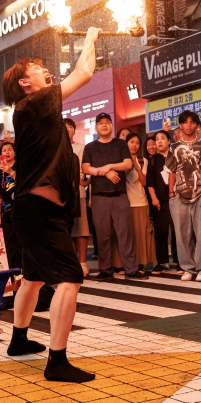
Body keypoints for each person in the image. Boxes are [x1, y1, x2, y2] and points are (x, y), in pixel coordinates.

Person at [0, 27, 101, 383]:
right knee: (70, 278)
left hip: (34, 210)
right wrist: (90, 39)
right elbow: (84, 73)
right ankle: (57, 361)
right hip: (38, 211)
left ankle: (19, 340)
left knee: (33, 278)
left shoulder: (34, 110)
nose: (45, 70)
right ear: (25, 83)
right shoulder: (34, 102)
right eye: (37, 68)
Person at [82, 113, 143, 280]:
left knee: (125, 233)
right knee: (102, 235)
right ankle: (105, 270)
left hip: (120, 195)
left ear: (111, 126)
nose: (104, 125)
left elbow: (128, 164)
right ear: (96, 127)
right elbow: (86, 168)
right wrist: (105, 173)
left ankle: (131, 269)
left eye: (107, 122)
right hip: (99, 196)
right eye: (100, 123)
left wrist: (109, 166)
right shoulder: (90, 147)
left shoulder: (120, 144)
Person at [164, 110, 201, 282]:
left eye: (192, 122)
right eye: (185, 122)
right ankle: (187, 267)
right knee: (181, 234)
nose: (188, 125)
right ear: (180, 125)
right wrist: (171, 193)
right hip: (179, 195)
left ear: (196, 125)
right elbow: (171, 171)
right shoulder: (173, 148)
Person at [125, 132, 156, 273]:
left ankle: (141, 263)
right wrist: (127, 164)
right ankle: (126, 264)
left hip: (140, 201)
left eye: (137, 143)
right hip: (125, 203)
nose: (134, 145)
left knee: (142, 234)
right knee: (128, 235)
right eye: (132, 142)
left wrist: (137, 167)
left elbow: (144, 182)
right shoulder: (120, 160)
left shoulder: (143, 161)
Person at [147, 130, 178, 272]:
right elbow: (150, 182)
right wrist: (154, 198)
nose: (159, 141)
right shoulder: (153, 160)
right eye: (157, 139)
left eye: (162, 138)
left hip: (176, 199)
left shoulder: (176, 157)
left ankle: (180, 261)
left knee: (177, 231)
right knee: (161, 231)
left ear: (169, 141)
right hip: (160, 201)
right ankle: (162, 261)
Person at [65, 119, 91, 276]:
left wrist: (83, 182)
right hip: (61, 196)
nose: (67, 130)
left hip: (79, 193)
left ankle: (82, 264)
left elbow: (87, 171)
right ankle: (71, 263)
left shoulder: (82, 148)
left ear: (74, 130)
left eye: (70, 127)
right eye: (63, 128)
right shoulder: (55, 150)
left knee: (81, 230)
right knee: (66, 232)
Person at [0, 141, 21, 269]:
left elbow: (24, 183)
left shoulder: (20, 167)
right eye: (4, 150)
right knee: (9, 241)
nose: (7, 152)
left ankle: (23, 270)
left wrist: (11, 172)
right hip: (6, 211)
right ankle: (13, 270)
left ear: (15, 152)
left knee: (20, 240)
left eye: (10, 149)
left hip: (20, 210)